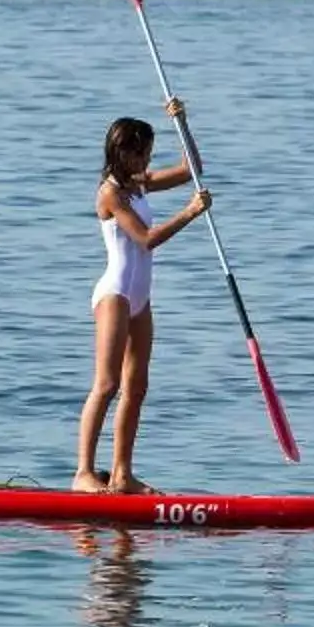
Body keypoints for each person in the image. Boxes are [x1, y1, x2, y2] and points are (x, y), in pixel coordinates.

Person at [74, 101, 213, 493]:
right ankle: (83, 472)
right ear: (124, 153)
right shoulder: (110, 194)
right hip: (115, 294)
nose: (149, 159)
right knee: (106, 385)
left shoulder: (138, 183)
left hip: (140, 297)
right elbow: (146, 240)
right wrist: (189, 214)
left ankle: (121, 474)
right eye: (144, 153)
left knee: (136, 387)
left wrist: (181, 122)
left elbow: (192, 169)